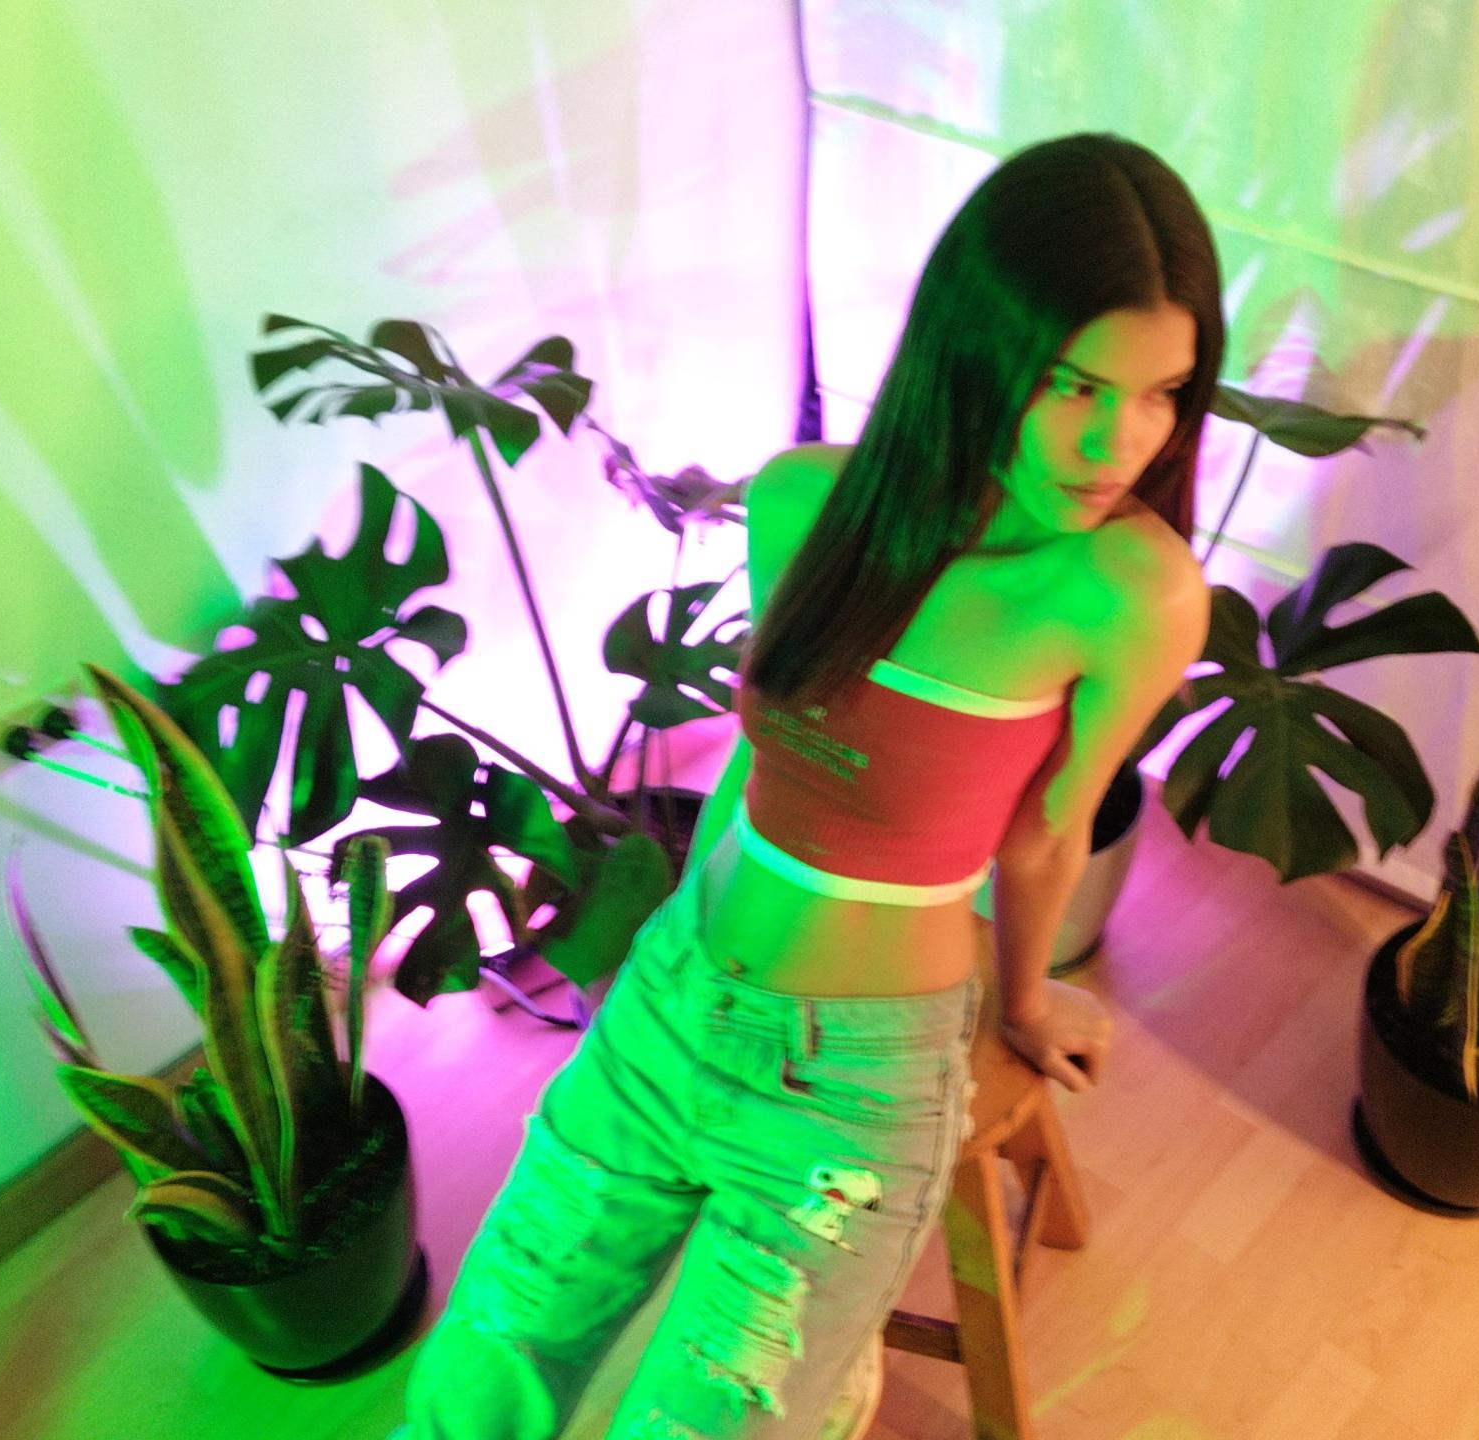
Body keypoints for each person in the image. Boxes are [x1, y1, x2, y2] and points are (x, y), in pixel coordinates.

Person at [392, 131, 1218, 1440]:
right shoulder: (797, 503)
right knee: (471, 1385)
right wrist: (677, 935)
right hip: (672, 999)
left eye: (1161, 393)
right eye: (1074, 385)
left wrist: (1021, 1002)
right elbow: (765, 754)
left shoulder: (1126, 592)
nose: (1120, 441)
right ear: (976, 348)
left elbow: (1049, 838)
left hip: (850, 1091)